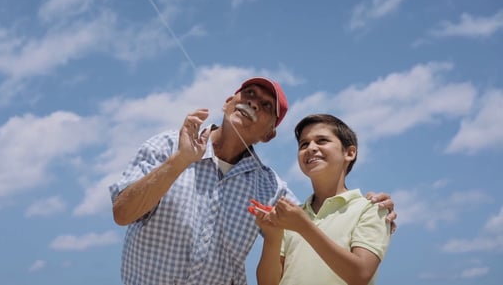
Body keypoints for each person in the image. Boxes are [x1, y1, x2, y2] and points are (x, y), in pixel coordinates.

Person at [109, 77, 396, 285]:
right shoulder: (167, 146)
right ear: (227, 103)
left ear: (269, 134)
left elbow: (314, 222)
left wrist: (371, 205)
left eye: (266, 105)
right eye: (248, 93)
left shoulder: (270, 188)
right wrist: (180, 161)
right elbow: (122, 213)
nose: (252, 103)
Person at [254, 114, 391, 285]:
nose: (311, 148)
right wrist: (272, 237)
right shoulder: (291, 218)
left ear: (350, 153)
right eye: (304, 144)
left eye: (322, 140)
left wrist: (304, 227)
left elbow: (361, 275)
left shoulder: (371, 209)